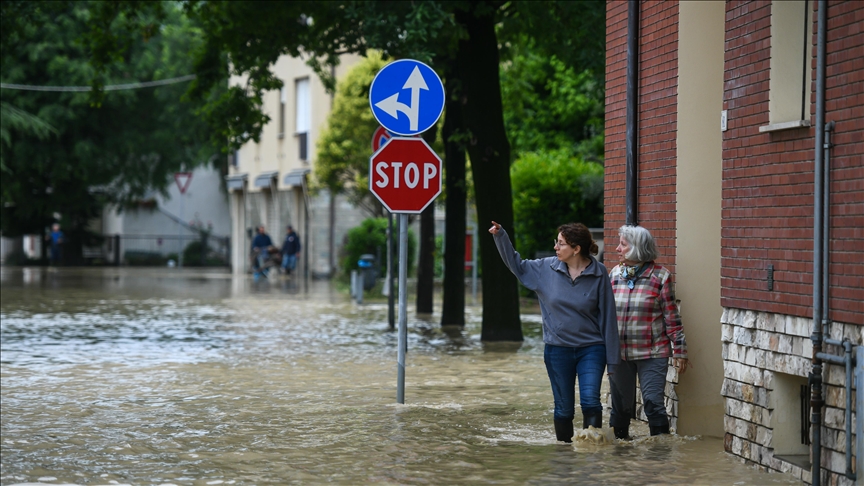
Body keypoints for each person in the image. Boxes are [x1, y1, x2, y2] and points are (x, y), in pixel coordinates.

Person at [489, 221, 619, 443]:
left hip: (592, 349)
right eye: (556, 243)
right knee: (563, 410)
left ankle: (593, 458)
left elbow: (608, 318)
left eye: (561, 244)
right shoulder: (545, 269)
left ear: (576, 249)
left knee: (591, 402)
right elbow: (516, 265)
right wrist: (501, 236)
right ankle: (564, 458)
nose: (555, 248)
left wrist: (614, 362)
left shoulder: (599, 273)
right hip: (558, 350)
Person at [608, 225, 689, 439]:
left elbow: (672, 317)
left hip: (652, 354)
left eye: (623, 245)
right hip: (619, 355)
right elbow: (604, 316)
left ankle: (659, 457)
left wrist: (679, 350)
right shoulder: (615, 274)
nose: (617, 249)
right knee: (620, 409)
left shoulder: (661, 276)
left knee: (653, 404)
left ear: (636, 248)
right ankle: (619, 460)